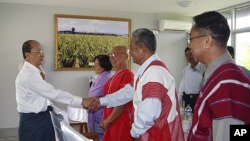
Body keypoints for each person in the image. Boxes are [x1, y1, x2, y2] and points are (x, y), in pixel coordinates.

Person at [88, 28, 184, 141]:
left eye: (131, 47)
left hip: (159, 135)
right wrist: (100, 102)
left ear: (141, 49)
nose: (130, 52)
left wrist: (134, 133)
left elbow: (148, 113)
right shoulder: (147, 71)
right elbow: (127, 93)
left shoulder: (154, 72)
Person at [187, 11, 250, 141]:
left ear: (207, 41)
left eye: (191, 39)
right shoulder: (219, 75)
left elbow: (227, 136)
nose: (189, 45)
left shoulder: (226, 83)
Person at [15, 40, 93, 141]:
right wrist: (82, 101)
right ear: (28, 55)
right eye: (38, 51)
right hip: (34, 123)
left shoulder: (34, 71)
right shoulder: (29, 75)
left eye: (43, 51)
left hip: (40, 120)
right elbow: (54, 94)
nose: (42, 54)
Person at [101, 46, 134, 141]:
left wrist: (108, 120)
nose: (111, 58)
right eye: (110, 55)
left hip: (120, 122)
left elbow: (121, 103)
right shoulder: (114, 75)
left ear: (126, 57)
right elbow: (107, 99)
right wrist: (104, 118)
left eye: (115, 54)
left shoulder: (128, 75)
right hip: (110, 120)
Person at [88, 55, 113, 140]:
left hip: (100, 116)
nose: (95, 67)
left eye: (97, 64)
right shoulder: (101, 76)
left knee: (100, 137)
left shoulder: (106, 78)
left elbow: (93, 96)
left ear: (104, 65)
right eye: (94, 64)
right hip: (96, 113)